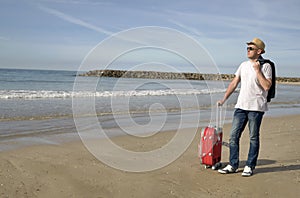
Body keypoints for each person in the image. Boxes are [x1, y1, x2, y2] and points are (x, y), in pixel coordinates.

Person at [217, 38, 272, 177]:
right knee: (233, 136)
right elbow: (234, 83)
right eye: (247, 48)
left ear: (259, 51)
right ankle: (233, 165)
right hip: (241, 106)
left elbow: (266, 86)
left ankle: (249, 166)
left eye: (251, 48)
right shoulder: (243, 65)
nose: (248, 50)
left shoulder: (266, 66)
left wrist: (258, 70)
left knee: (253, 137)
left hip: (256, 107)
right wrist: (224, 99)